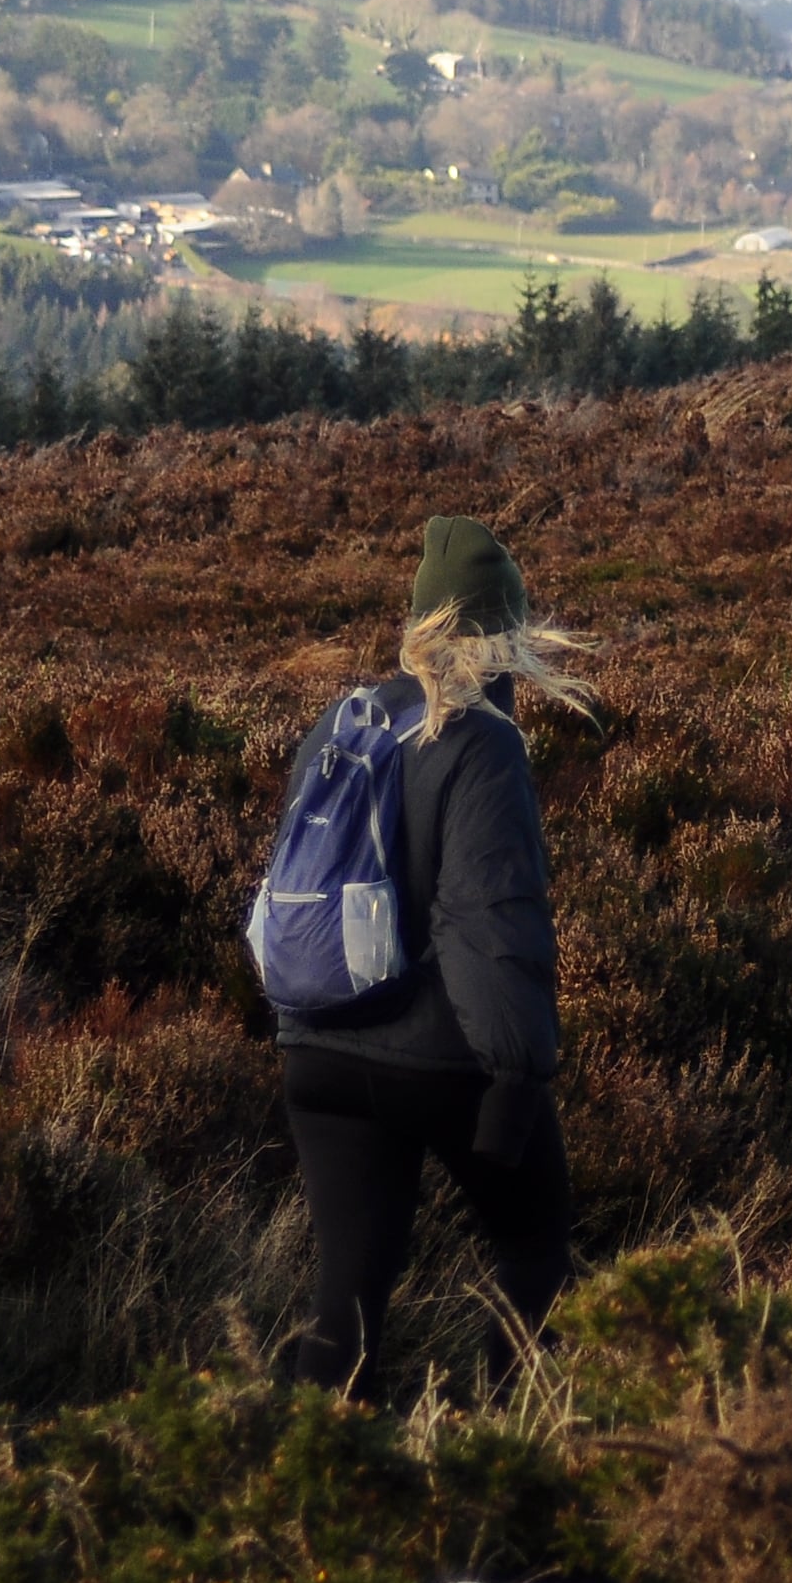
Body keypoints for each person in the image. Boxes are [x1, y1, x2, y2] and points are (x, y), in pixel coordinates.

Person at [274, 516, 586, 1397]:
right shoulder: (480, 739)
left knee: (348, 1293)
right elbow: (491, 925)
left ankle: (314, 1492)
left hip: (320, 1046)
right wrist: (518, 1080)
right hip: (442, 1058)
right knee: (532, 1246)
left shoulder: (345, 718)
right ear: (508, 631)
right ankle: (511, 1465)